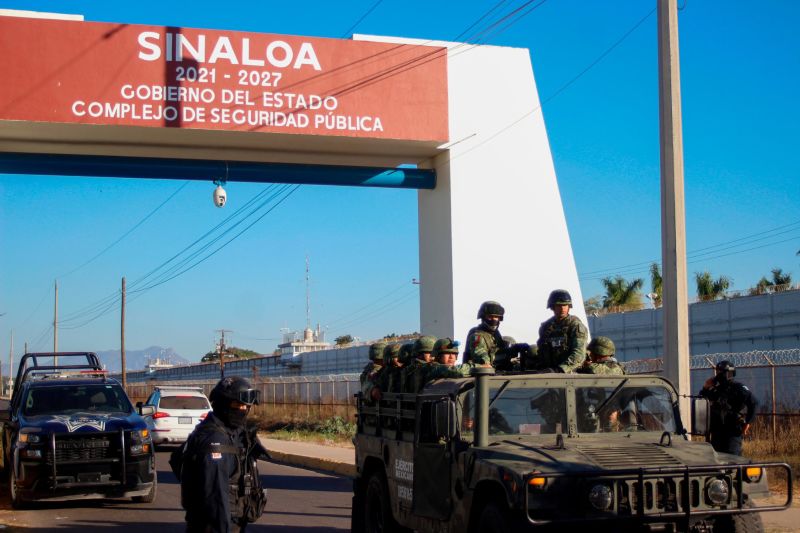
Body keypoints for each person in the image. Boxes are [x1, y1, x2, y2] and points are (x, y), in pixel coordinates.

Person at [179, 376, 267, 533]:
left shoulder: (231, 431)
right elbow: (215, 498)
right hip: (216, 525)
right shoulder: (214, 440)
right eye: (237, 404)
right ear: (223, 404)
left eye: (246, 406)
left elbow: (177, 460)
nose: (243, 409)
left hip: (232, 521)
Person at [699, 360, 757, 455]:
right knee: (716, 460)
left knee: (732, 460)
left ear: (729, 373)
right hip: (716, 432)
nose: (718, 375)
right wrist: (705, 387)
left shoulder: (738, 388)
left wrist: (748, 422)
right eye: (717, 372)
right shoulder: (716, 390)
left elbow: (754, 403)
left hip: (732, 432)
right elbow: (701, 401)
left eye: (721, 372)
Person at [533, 289, 588, 373]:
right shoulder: (546, 327)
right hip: (548, 373)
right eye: (558, 305)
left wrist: (559, 370)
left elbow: (579, 354)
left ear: (569, 306)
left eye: (565, 305)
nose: (562, 308)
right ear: (552, 307)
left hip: (570, 374)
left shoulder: (575, 326)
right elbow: (541, 352)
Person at [463, 301, 509, 367]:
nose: (494, 320)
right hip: (481, 373)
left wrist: (514, 349)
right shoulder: (477, 335)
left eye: (496, 317)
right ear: (483, 317)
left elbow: (500, 352)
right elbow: (482, 358)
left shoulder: (496, 334)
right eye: (490, 317)